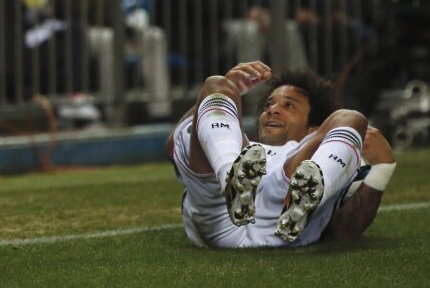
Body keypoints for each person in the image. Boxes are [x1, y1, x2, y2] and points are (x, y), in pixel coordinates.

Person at [166, 62, 396, 249]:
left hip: (282, 211)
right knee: (216, 84)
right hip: (218, 207)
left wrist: (381, 170)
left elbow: (344, 230)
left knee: (351, 118)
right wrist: (218, 95)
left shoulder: (327, 152)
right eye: (269, 105)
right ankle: (231, 180)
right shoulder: (234, 143)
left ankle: (301, 202)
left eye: (289, 106)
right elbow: (174, 147)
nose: (273, 110)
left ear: (314, 127)